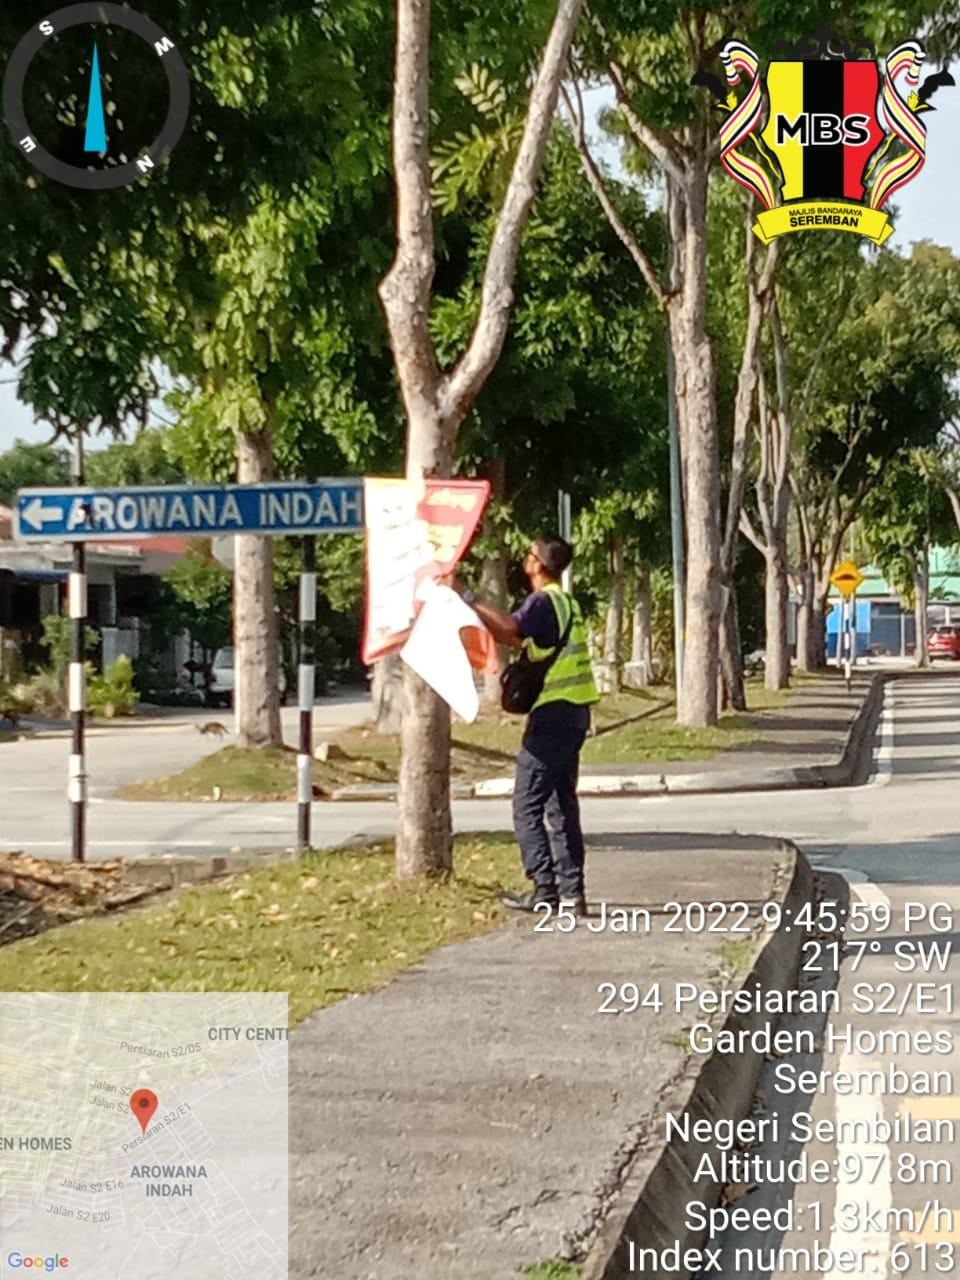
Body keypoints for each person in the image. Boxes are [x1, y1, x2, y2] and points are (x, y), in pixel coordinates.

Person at [458, 535, 598, 915]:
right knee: (561, 804)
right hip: (574, 714)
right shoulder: (567, 602)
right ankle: (573, 894)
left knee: (527, 803)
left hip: (552, 715)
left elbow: (508, 630)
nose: (524, 558)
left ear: (538, 564)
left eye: (528, 553)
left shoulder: (543, 602)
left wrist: (468, 600)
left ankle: (544, 890)